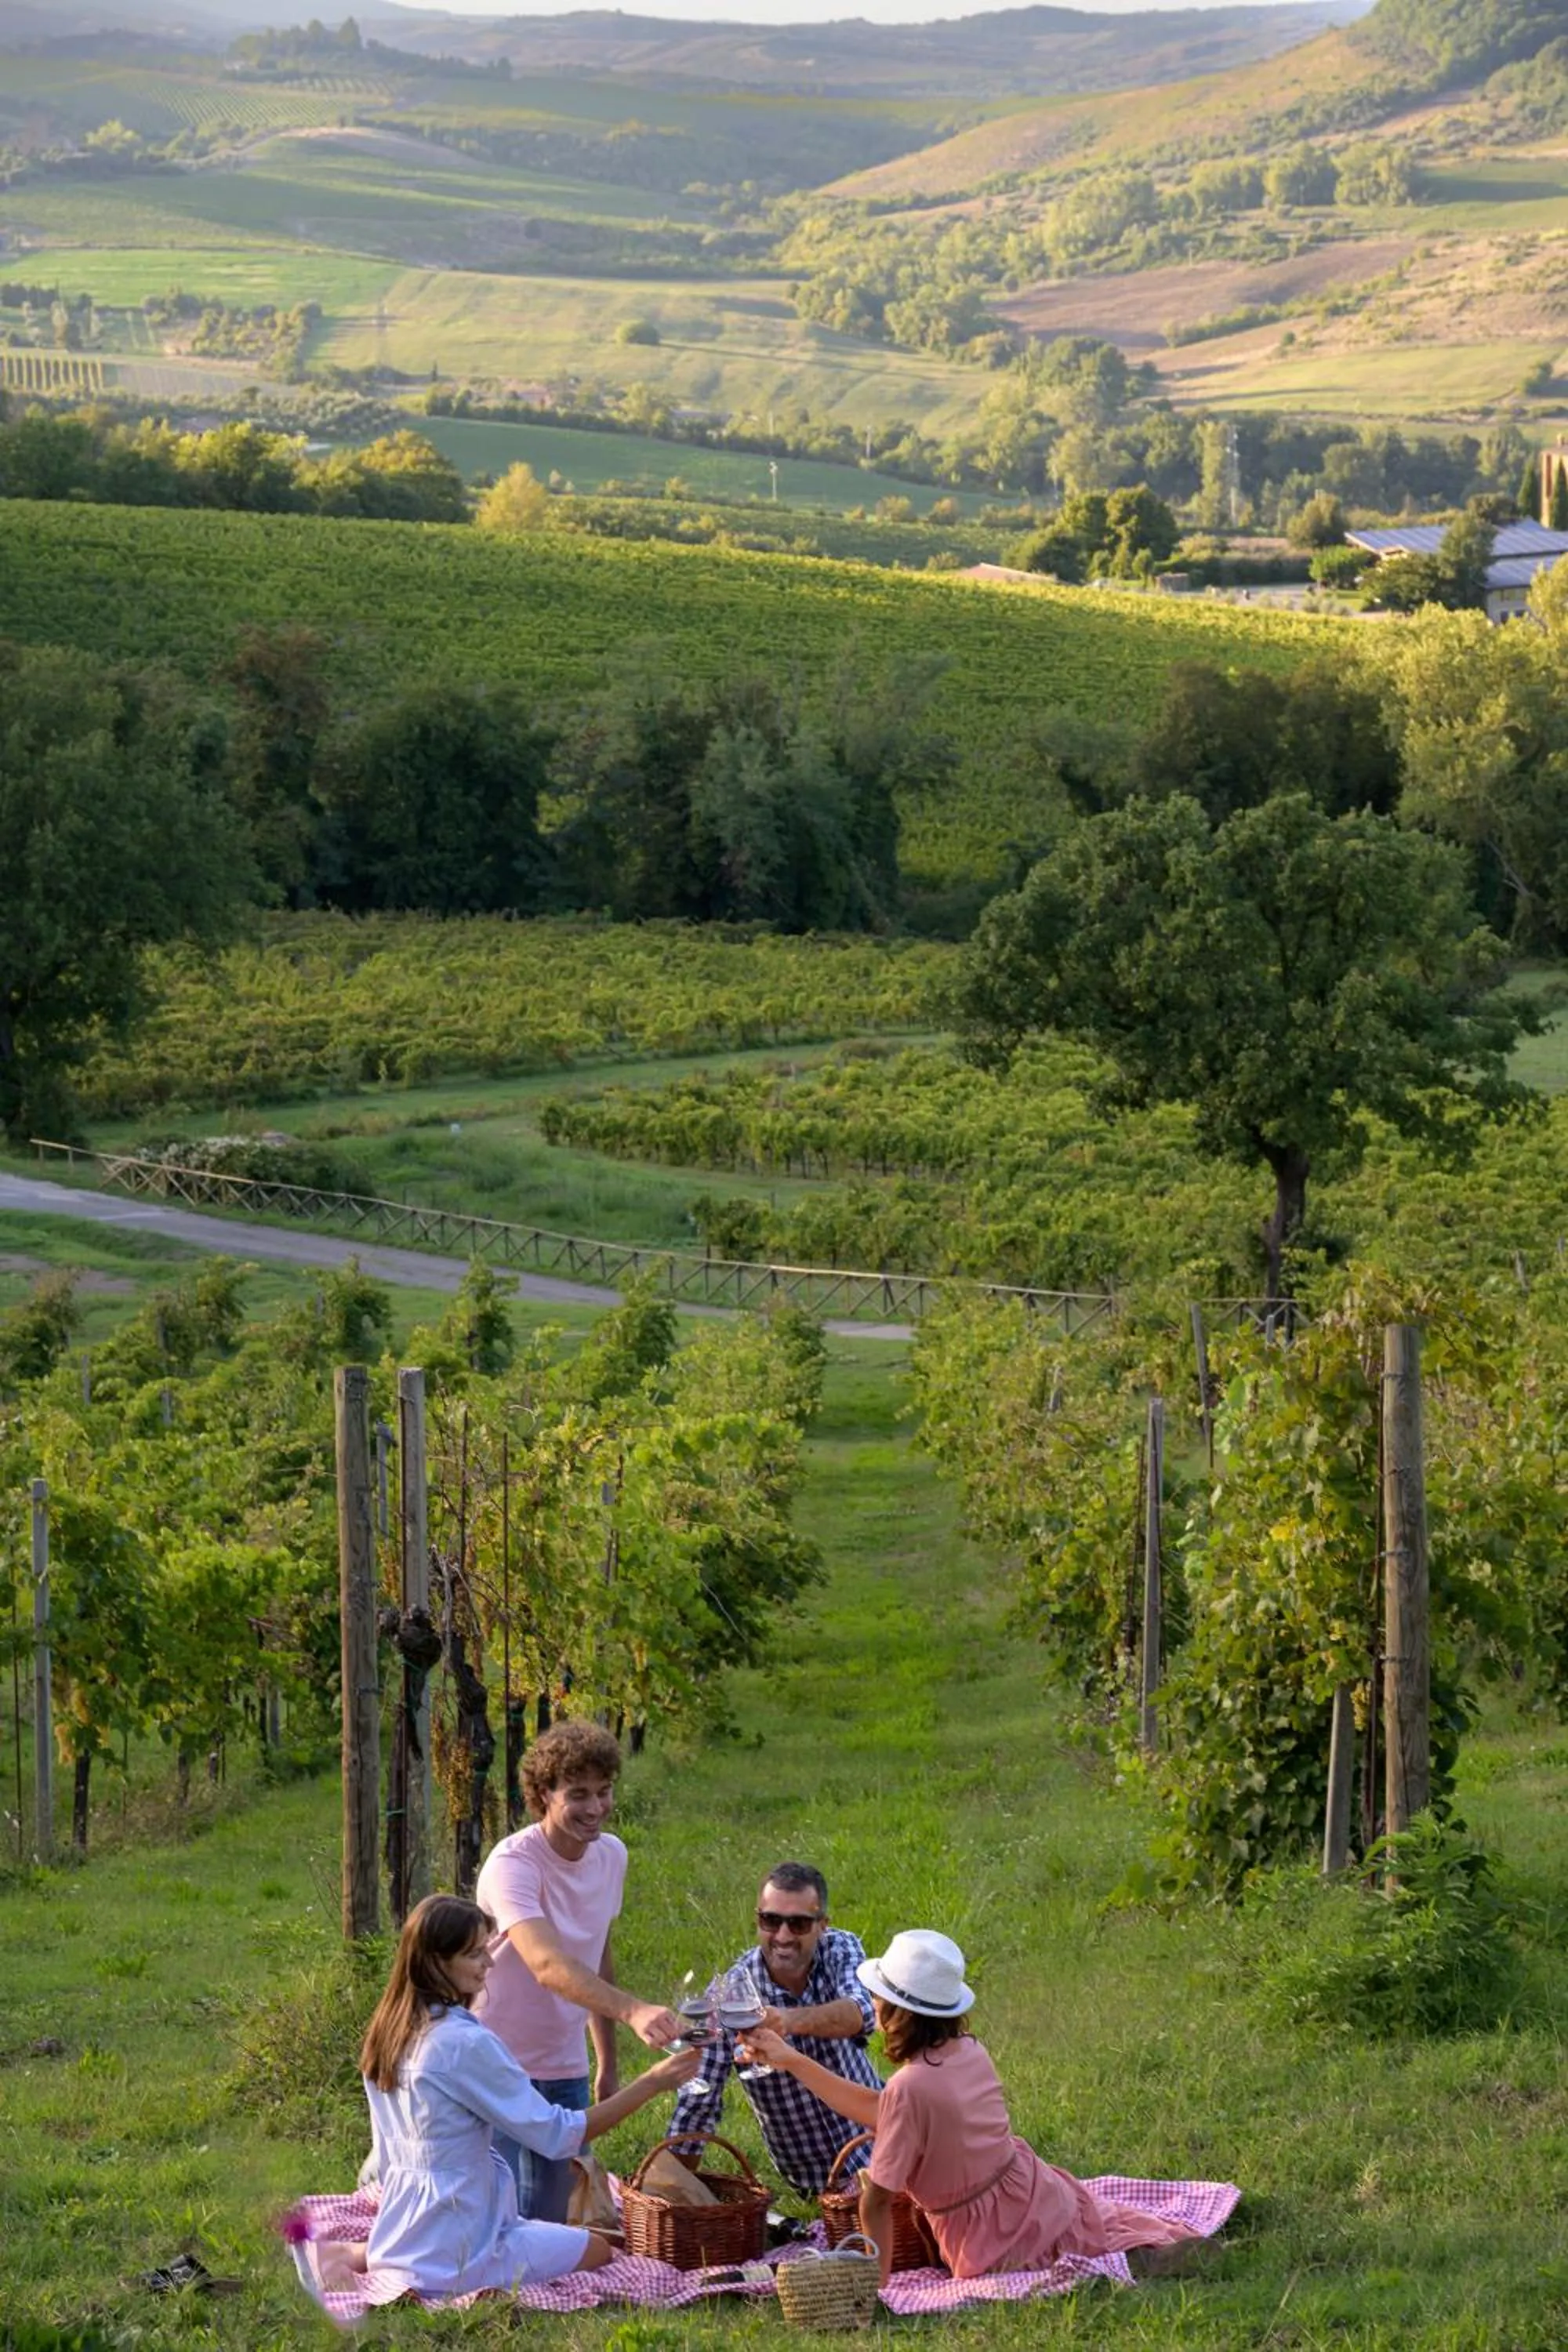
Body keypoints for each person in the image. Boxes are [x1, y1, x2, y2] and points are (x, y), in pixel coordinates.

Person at [742, 1929, 1206, 2286]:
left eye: (878, 2001)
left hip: (989, 2235)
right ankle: (1166, 2253)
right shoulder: (966, 2050)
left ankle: (1150, 2262)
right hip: (1031, 2192)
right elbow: (883, 2109)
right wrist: (791, 2059)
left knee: (1095, 2253)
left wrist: (875, 2283)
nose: (874, 2008)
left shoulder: (911, 2086)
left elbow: (878, 2198)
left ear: (895, 2014)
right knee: (1098, 2233)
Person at [300, 1894, 699, 2301]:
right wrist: (652, 2083)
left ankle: (371, 2255)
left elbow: (387, 2152)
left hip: (404, 2222)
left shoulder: (389, 2028)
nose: (490, 1964)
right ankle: (396, 2262)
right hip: (462, 2244)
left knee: (551, 2232)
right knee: (600, 2249)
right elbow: (559, 2136)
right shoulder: (462, 2043)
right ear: (438, 1962)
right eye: (475, 1955)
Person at [472, 1720, 683, 2224]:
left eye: (604, 1792)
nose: (595, 1808)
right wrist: (633, 2009)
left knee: (552, 2210)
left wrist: (605, 2061)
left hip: (564, 2061)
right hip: (498, 2060)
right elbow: (546, 1965)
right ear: (544, 1794)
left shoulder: (611, 1856)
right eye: (578, 1794)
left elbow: (596, 1954)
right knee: (505, 2210)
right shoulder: (514, 1865)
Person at [666, 1862, 882, 2196]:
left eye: (798, 1924)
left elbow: (862, 2012)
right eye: (771, 1921)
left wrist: (788, 2020)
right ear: (758, 1919)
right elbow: (698, 2101)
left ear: (822, 1925)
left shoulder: (840, 1947)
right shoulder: (732, 1994)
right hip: (818, 2181)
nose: (782, 1936)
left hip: (881, 2145)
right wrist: (669, 2191)